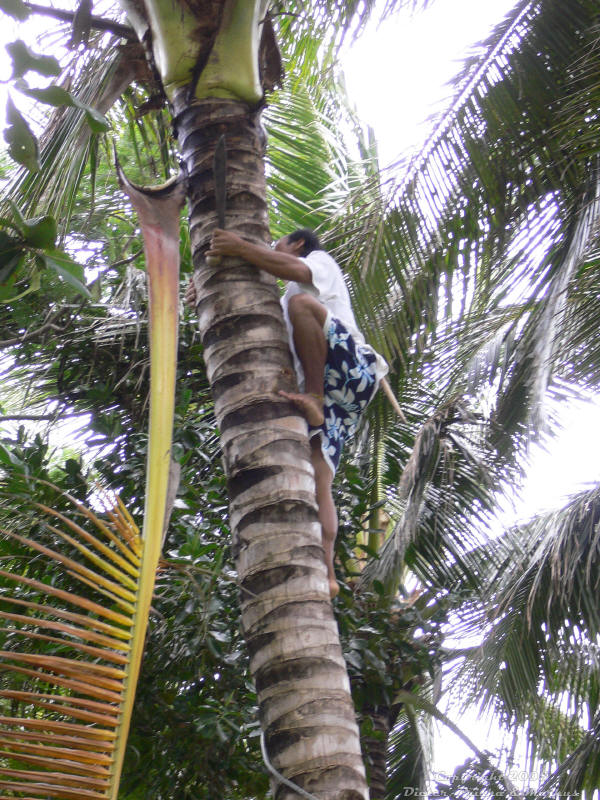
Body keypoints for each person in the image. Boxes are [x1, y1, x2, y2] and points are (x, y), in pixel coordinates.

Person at [189, 228, 388, 597]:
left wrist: (240, 246)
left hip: (352, 371)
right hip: (335, 394)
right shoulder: (281, 304)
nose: (272, 249)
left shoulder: (318, 263)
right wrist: (204, 289)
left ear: (298, 244)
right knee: (319, 475)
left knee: (302, 305)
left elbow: (291, 269)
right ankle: (328, 572)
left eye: (277, 244)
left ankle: (313, 396)